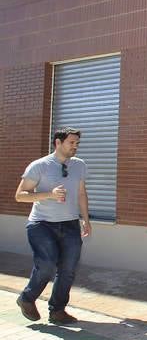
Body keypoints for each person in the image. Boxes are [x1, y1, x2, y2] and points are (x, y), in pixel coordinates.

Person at [14, 127, 91, 324]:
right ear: (58, 142)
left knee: (68, 269)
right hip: (42, 225)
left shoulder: (79, 165)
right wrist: (49, 194)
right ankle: (27, 298)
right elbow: (20, 196)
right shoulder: (39, 165)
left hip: (70, 224)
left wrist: (86, 220)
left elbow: (81, 193)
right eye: (71, 143)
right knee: (47, 265)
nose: (76, 147)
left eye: (77, 143)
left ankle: (57, 310)